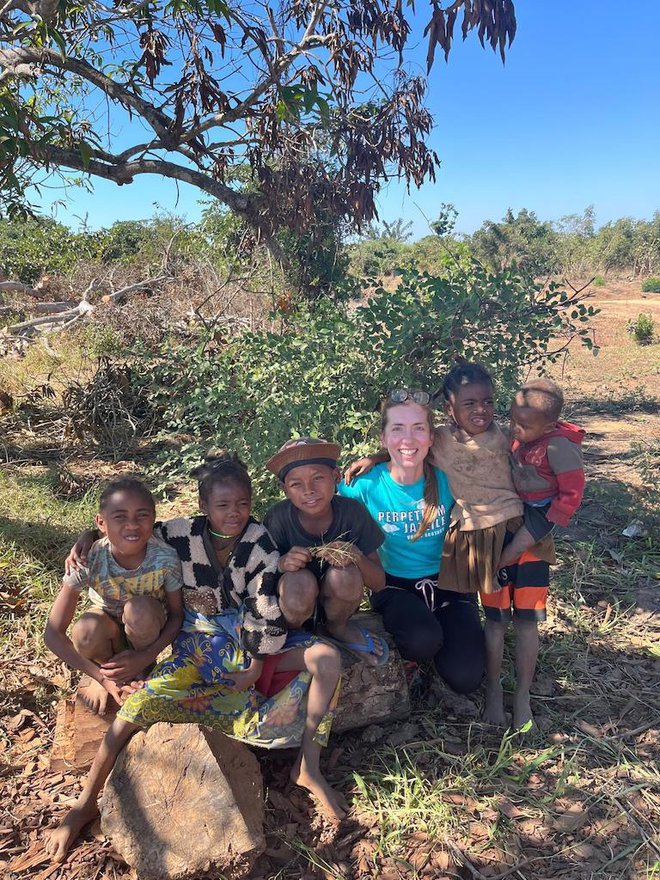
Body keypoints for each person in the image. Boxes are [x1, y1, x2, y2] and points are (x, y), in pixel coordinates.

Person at [46, 454, 344, 864]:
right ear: (203, 507)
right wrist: (85, 536)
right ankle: (84, 803)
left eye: (242, 504)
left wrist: (256, 662)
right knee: (133, 711)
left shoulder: (260, 542)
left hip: (246, 644)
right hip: (196, 648)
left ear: (252, 502)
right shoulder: (178, 534)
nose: (233, 513)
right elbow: (126, 530)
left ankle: (308, 766)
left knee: (326, 657)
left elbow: (264, 606)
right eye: (222, 506)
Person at [340, 388, 486, 695]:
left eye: (418, 428)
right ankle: (417, 653)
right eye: (398, 429)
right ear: (383, 437)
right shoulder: (363, 485)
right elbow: (321, 505)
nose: (408, 439)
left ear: (432, 438)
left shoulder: (447, 477)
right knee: (422, 640)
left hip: (450, 583)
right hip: (393, 586)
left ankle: (443, 634)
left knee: (466, 678)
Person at [481, 378, 585, 729]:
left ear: (551, 425)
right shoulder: (514, 437)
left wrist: (545, 526)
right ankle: (493, 690)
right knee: (494, 620)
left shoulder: (558, 446)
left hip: (536, 533)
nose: (516, 429)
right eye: (513, 420)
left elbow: (571, 493)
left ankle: (522, 694)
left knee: (527, 621)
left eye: (525, 425)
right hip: (500, 525)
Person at [44, 477, 184, 717]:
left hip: (145, 630)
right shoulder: (88, 559)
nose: (132, 525)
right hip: (107, 627)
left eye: (142, 515)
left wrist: (144, 657)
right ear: (101, 522)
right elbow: (52, 633)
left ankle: (143, 670)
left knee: (138, 610)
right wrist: (101, 678)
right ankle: (111, 673)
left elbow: (177, 615)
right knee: (85, 632)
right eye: (120, 516)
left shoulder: (165, 558)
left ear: (153, 518)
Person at [264, 437, 389, 665]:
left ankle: (337, 627)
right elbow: (258, 582)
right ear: (285, 490)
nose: (309, 490)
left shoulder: (352, 512)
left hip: (337, 602)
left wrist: (356, 555)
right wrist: (281, 564)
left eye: (318, 478)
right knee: (298, 583)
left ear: (336, 477)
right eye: (296, 484)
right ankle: (295, 633)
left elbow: (379, 583)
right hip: (295, 605)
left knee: (346, 573)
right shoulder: (277, 519)